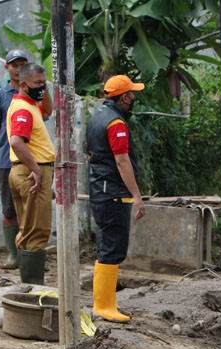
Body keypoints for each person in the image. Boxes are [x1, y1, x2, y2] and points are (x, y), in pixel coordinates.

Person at [86, 75, 147, 323]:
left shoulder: (97, 116)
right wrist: (137, 196)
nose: (133, 98)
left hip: (99, 189)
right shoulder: (115, 123)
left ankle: (106, 303)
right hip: (112, 193)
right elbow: (122, 161)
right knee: (113, 247)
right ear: (123, 97)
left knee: (106, 246)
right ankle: (103, 306)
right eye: (131, 94)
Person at [0, 50, 52, 270]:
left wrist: (43, 88)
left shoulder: (33, 100)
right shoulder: (3, 97)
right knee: (11, 211)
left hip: (27, 162)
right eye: (14, 65)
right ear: (8, 68)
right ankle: (14, 254)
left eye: (21, 64)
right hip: (11, 161)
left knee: (30, 214)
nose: (17, 68)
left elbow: (48, 112)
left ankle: (27, 258)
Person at [7, 63, 55, 285]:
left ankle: (30, 285)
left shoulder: (30, 104)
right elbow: (16, 141)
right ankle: (34, 288)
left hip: (25, 171)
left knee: (28, 230)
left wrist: (44, 89)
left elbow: (50, 110)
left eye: (43, 83)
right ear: (23, 85)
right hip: (32, 172)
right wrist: (36, 169)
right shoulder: (24, 109)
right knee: (37, 231)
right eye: (37, 84)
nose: (42, 87)